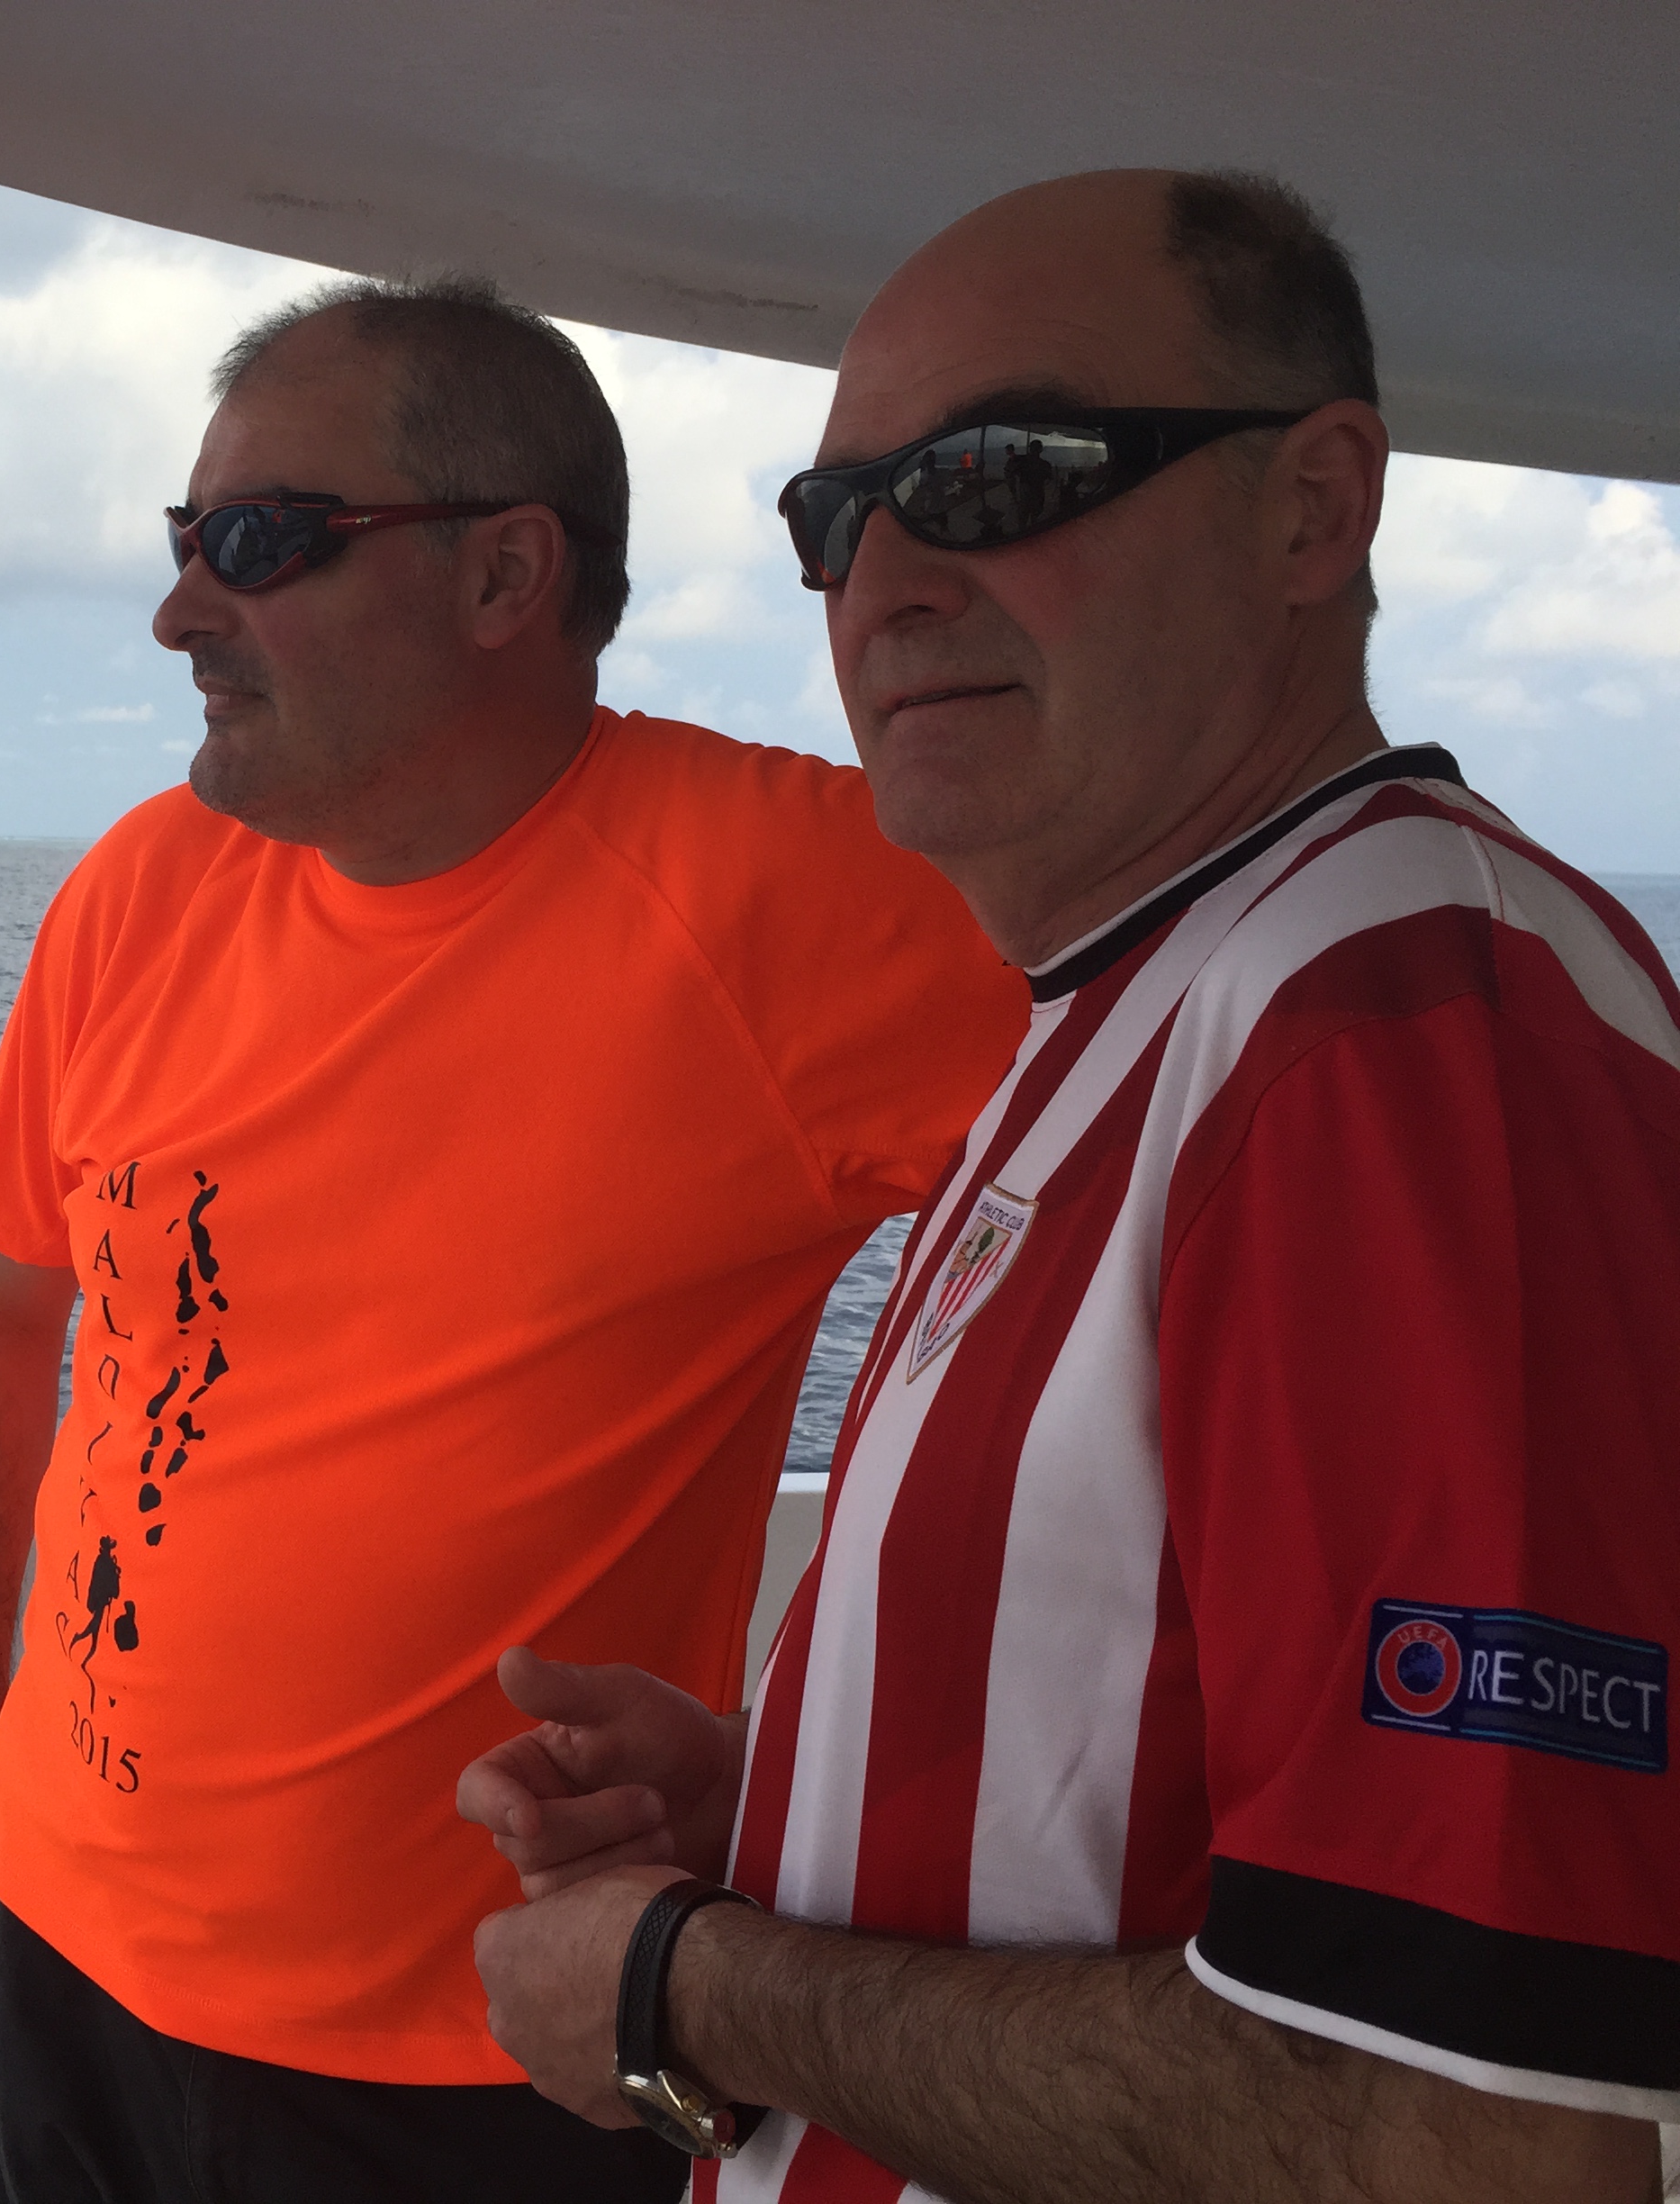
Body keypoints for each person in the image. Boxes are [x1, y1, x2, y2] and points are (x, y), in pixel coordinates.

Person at [465, 168, 1676, 2202]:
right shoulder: (1147, 997)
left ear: (1314, 509)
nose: (884, 582)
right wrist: (801, 1809)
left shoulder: (1395, 1039)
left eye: (998, 477)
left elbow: (1479, 2133)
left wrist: (686, 1982)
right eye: (832, 517)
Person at [0, 275, 1024, 2201]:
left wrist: (831, 1770)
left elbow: (1197, 1205)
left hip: (484, 2046)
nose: (180, 612)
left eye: (259, 542)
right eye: (184, 540)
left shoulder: (797, 897)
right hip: (61, 1945)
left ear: (505, 572)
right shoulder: (145, 886)